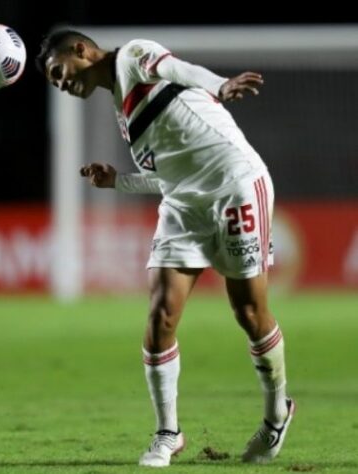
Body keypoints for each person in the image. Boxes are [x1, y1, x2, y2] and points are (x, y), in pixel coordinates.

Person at [36, 31, 294, 467]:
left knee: (250, 313)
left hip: (236, 187)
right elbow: (168, 177)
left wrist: (219, 86)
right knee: (160, 316)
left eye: (58, 72)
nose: (60, 84)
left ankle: (276, 414)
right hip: (182, 204)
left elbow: (178, 69)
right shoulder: (124, 113)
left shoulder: (135, 56)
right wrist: (117, 180)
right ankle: (167, 433)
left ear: (81, 51)